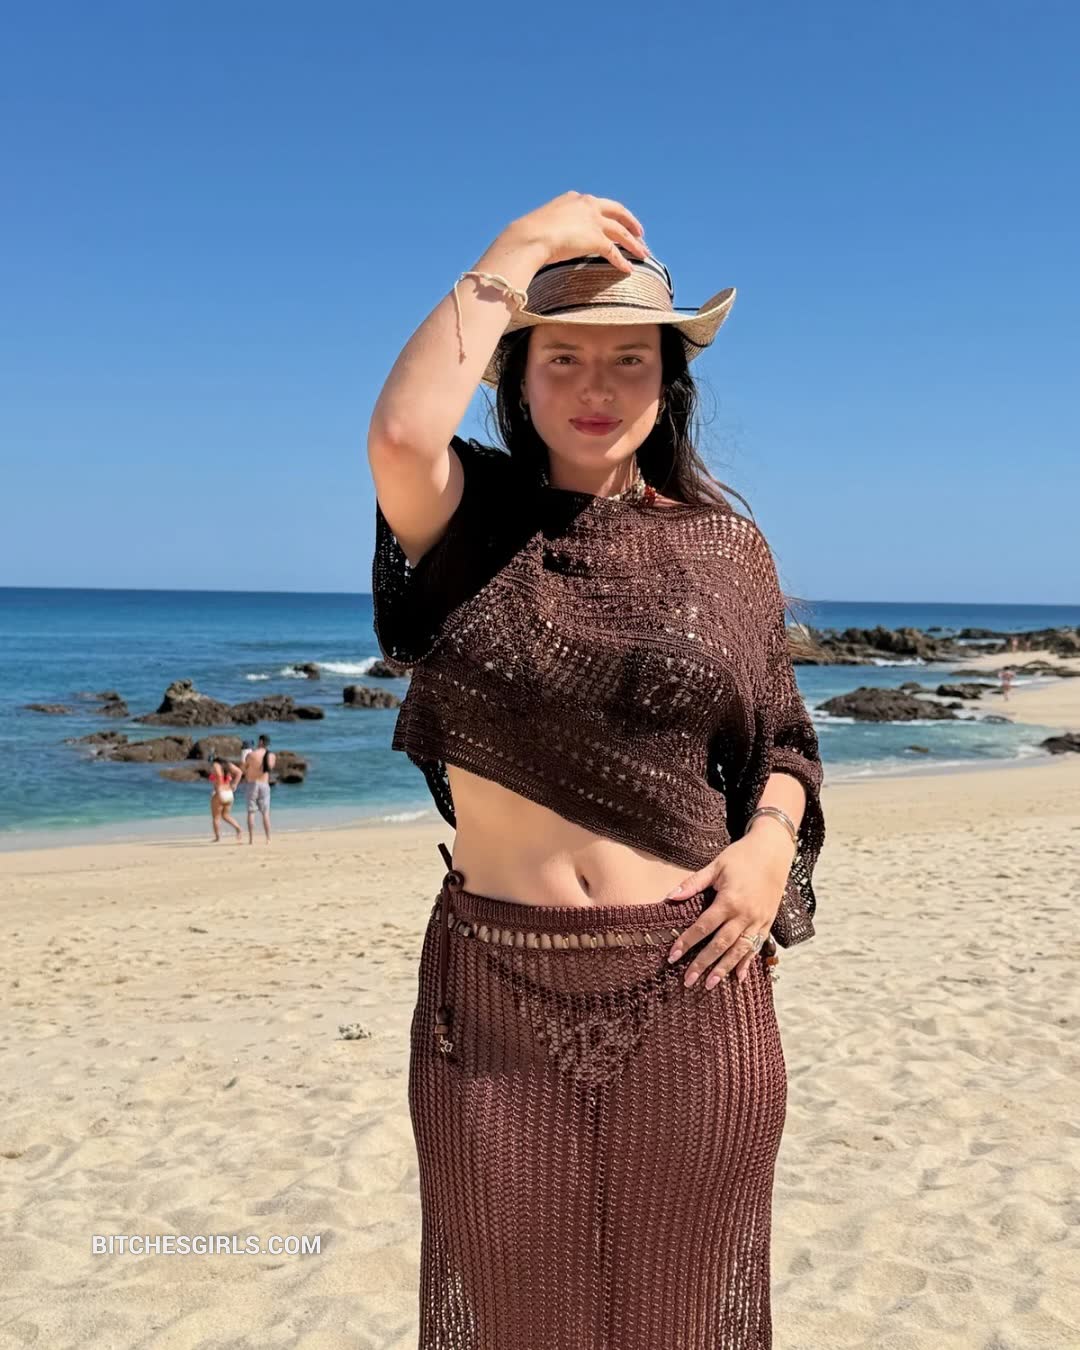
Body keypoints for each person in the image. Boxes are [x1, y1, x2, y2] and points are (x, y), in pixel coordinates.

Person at [368, 192, 825, 1348]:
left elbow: (783, 744)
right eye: (562, 356)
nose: (596, 386)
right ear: (516, 379)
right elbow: (402, 438)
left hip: (692, 988)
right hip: (495, 994)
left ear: (670, 381)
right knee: (521, 1318)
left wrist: (768, 848)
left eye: (630, 359)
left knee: (677, 1317)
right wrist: (521, 246)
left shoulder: (726, 550)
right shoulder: (471, 523)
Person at [241, 733, 274, 844]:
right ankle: (268, 839)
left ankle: (251, 840)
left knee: (251, 812)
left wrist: (244, 759)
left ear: (260, 742)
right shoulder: (272, 756)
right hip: (264, 784)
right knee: (265, 813)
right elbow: (269, 769)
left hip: (252, 784)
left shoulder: (251, 755)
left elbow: (244, 769)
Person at [207, 754, 242, 843]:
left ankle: (217, 838)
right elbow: (239, 772)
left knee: (216, 817)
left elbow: (219, 775)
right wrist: (235, 784)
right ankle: (238, 828)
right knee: (225, 815)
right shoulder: (227, 765)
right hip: (229, 793)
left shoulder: (216, 765)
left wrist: (218, 788)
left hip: (220, 793)